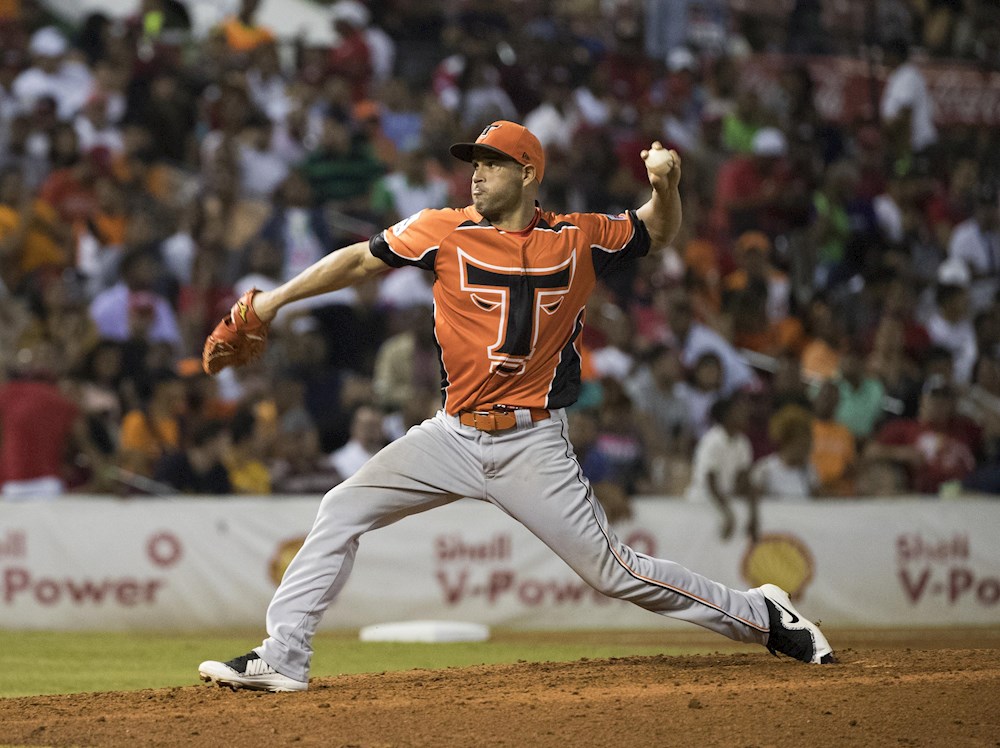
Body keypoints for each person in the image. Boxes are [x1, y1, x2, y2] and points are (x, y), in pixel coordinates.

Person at [198, 120, 834, 693]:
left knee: (616, 573)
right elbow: (358, 261)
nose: (476, 173)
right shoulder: (442, 229)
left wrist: (666, 186)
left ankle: (763, 616)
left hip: (531, 443)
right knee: (341, 508)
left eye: (492, 162)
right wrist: (271, 302)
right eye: (473, 162)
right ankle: (283, 654)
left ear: (528, 174)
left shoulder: (578, 236)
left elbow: (656, 232)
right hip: (451, 436)